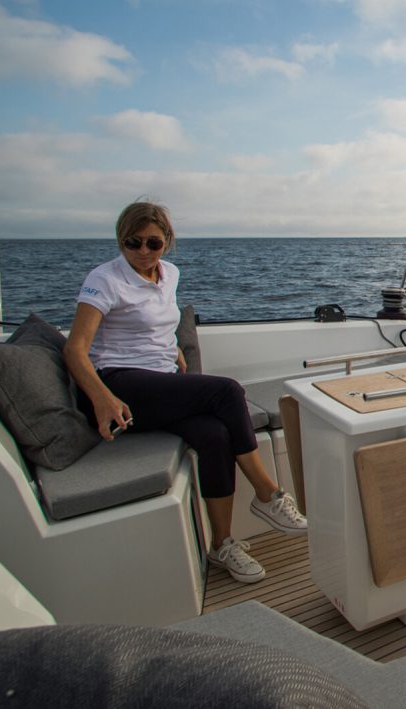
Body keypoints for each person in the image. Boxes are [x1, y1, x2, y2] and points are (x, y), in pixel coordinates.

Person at [63, 201, 306, 585]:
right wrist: (102, 398)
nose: (143, 251)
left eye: (153, 243)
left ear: (167, 243)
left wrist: (171, 347)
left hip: (158, 384)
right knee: (227, 391)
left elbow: (156, 321)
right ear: (120, 240)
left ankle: (222, 544)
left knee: (215, 435)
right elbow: (75, 349)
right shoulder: (105, 279)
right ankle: (267, 494)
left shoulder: (169, 274)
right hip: (119, 386)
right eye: (132, 242)